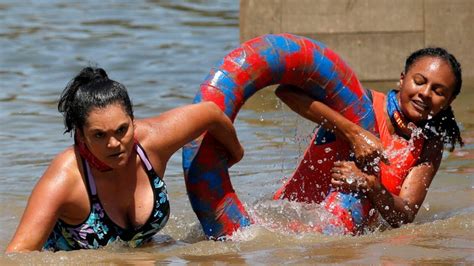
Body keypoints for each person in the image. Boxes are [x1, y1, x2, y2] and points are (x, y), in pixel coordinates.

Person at [6, 67, 244, 252]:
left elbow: (211, 113)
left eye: (122, 130)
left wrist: (236, 154)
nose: (114, 143)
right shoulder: (67, 178)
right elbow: (19, 254)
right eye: (99, 135)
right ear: (80, 134)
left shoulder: (152, 142)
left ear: (133, 120)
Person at [274, 47, 463, 229]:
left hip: (342, 242)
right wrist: (353, 133)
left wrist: (370, 184)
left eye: (439, 92)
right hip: (285, 225)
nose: (425, 93)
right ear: (402, 79)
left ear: (449, 101)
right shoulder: (359, 104)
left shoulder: (428, 146)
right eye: (419, 81)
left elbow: (405, 216)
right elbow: (286, 92)